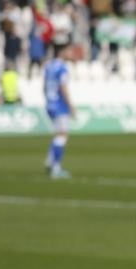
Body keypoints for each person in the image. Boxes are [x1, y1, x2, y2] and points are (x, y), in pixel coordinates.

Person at [42, 43, 79, 179]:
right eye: (69, 50)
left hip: (50, 104)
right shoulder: (62, 68)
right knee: (62, 135)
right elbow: (63, 88)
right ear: (62, 52)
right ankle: (56, 168)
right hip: (60, 104)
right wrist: (71, 106)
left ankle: (50, 161)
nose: (71, 53)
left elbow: (44, 86)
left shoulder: (48, 66)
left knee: (58, 133)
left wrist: (48, 101)